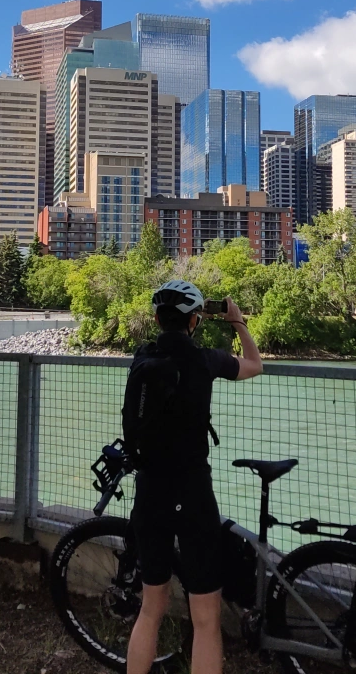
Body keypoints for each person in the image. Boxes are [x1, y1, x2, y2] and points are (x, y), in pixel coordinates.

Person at [126, 279, 262, 674]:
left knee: (150, 608)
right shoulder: (206, 360)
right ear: (194, 322)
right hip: (192, 493)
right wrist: (237, 322)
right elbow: (255, 365)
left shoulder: (141, 358)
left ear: (157, 319)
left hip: (149, 490)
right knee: (205, 618)